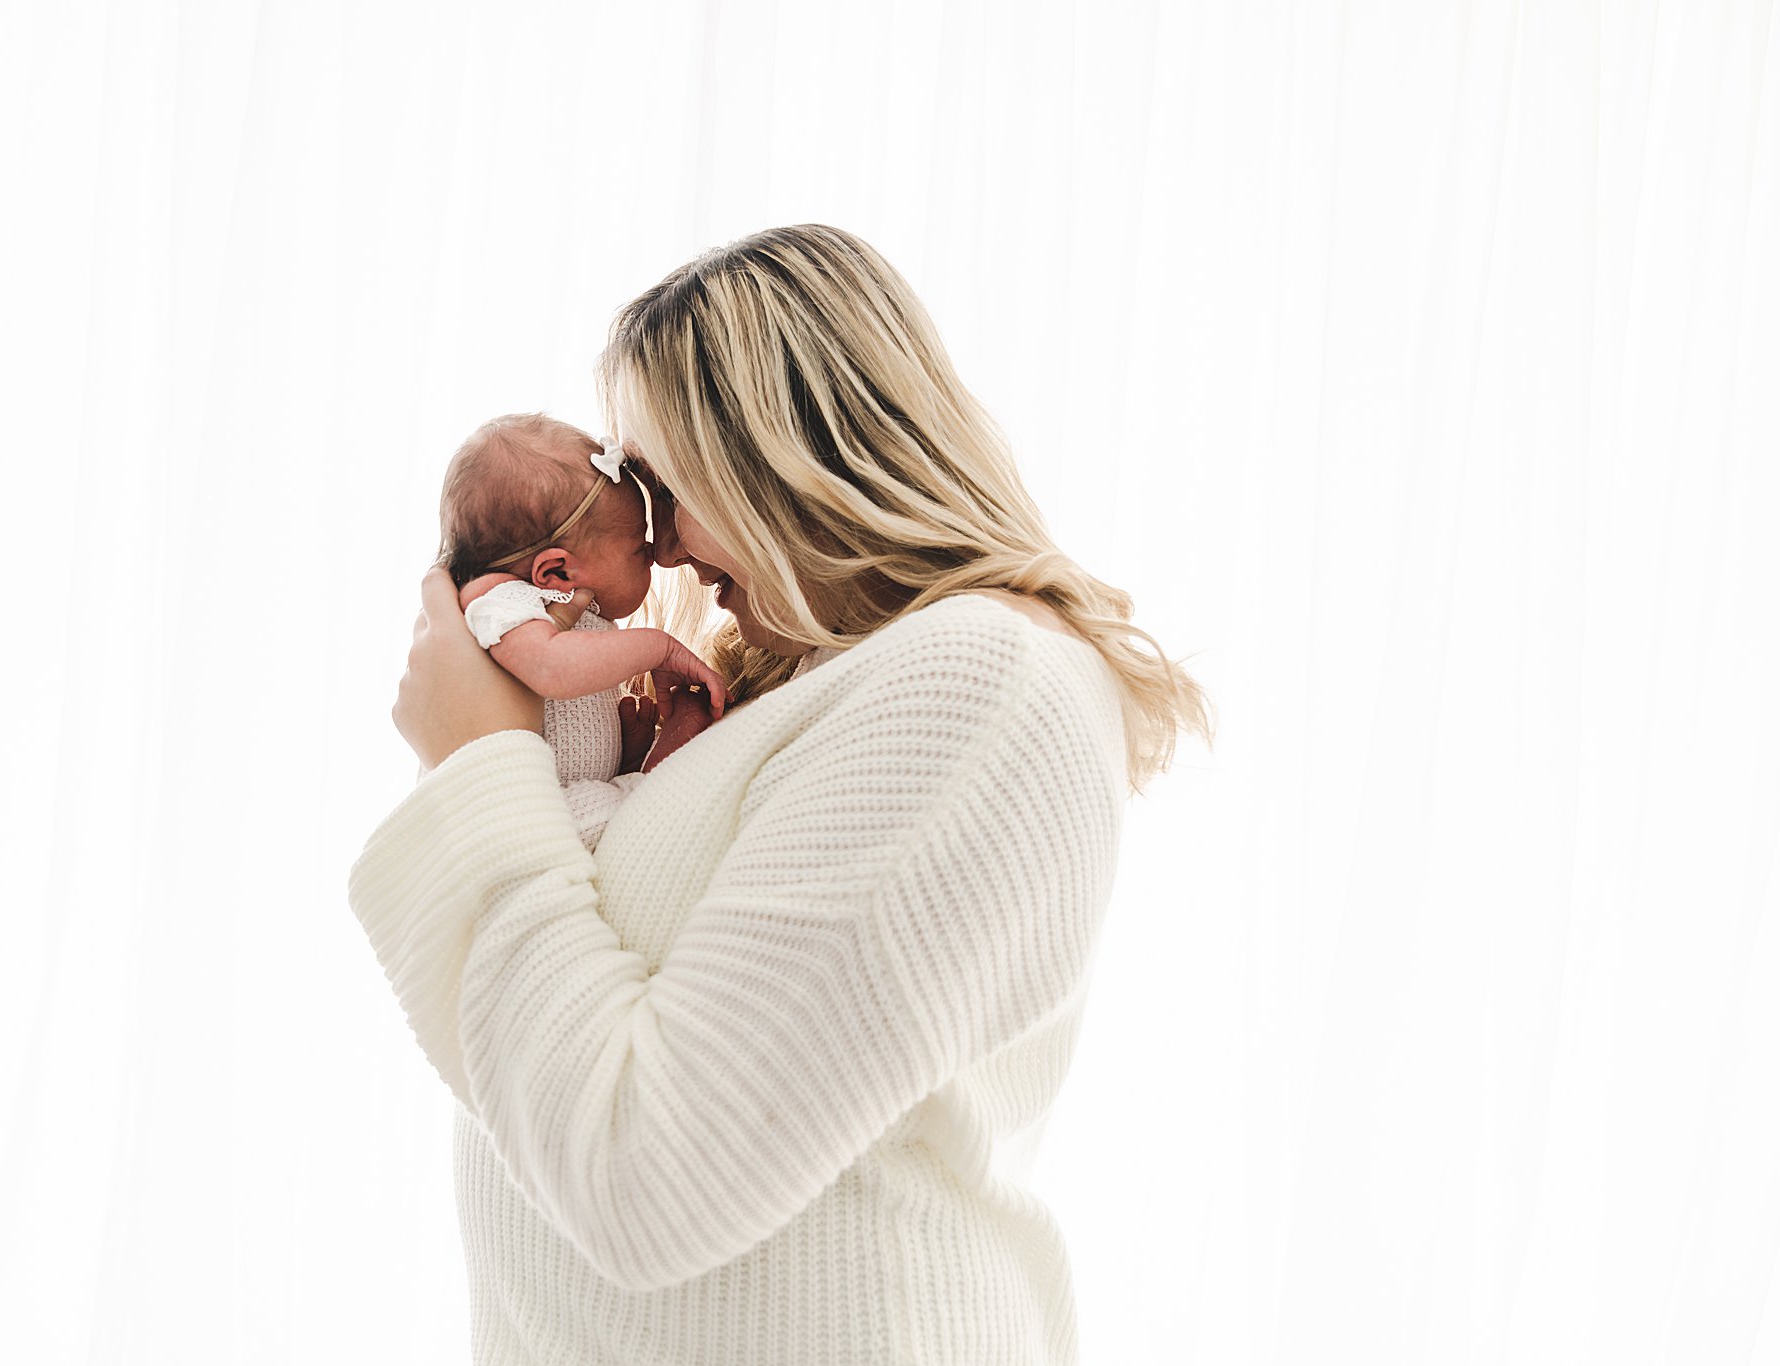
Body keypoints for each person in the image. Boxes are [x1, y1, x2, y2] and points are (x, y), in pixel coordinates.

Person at [349, 224, 1213, 1365]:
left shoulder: (978, 682)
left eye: (656, 485)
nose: (652, 543)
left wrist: (479, 767)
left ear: (778, 452)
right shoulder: (805, 694)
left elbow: (647, 1184)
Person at [434, 412, 727, 849]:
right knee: (641, 810)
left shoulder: (555, 609)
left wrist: (611, 751)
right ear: (555, 571)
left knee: (633, 806)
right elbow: (551, 669)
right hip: (527, 823)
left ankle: (645, 762)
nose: (655, 556)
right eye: (637, 549)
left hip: (558, 801)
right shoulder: (498, 600)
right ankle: (663, 756)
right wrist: (660, 650)